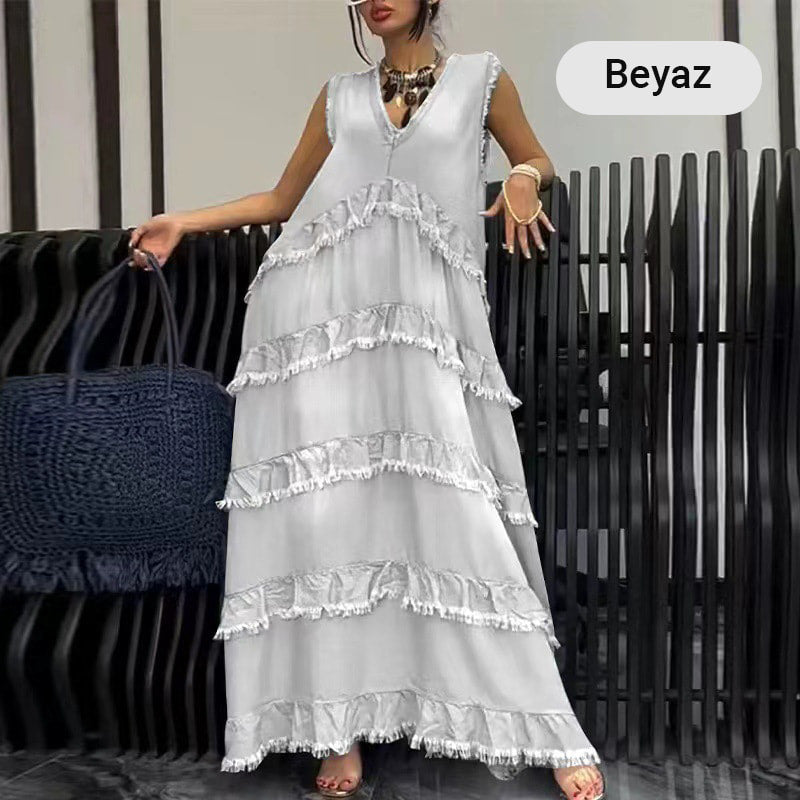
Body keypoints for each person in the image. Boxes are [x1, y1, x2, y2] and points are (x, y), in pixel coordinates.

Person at [129, 2, 606, 798]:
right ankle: (336, 729)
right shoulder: (338, 96)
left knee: (458, 515)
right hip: (313, 326)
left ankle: (543, 723)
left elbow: (534, 157)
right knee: (325, 524)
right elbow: (284, 199)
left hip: (423, 325)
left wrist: (524, 177)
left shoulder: (481, 80)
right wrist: (184, 221)